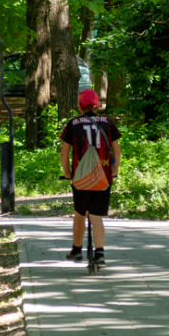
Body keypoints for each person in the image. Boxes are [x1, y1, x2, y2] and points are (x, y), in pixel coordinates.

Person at [60, 89, 121, 267]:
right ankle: (100, 255)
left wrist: (67, 173)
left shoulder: (73, 124)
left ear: (79, 107)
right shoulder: (108, 123)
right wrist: (114, 169)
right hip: (103, 175)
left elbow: (65, 153)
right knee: (97, 217)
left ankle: (77, 251)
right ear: (98, 106)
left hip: (81, 177)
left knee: (80, 214)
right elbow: (116, 149)